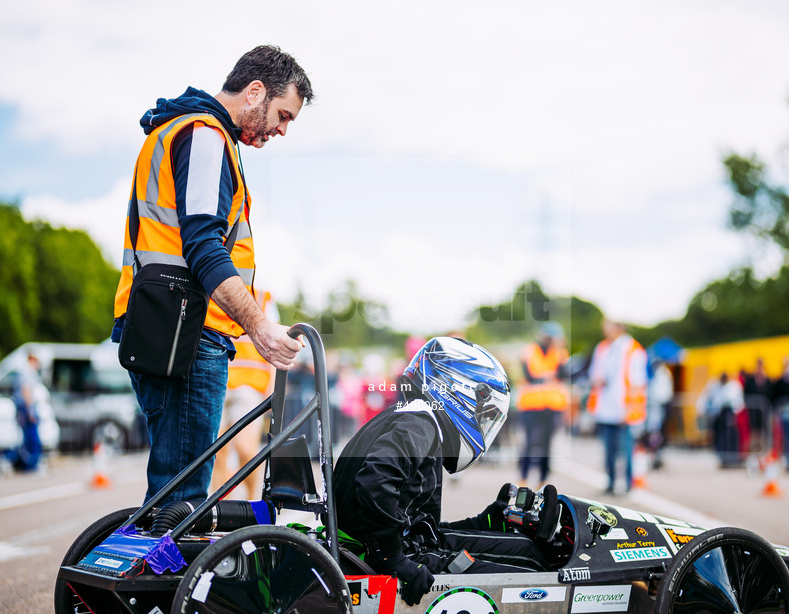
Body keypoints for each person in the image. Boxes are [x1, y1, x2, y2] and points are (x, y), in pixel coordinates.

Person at [111, 45, 310, 504]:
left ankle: (158, 568)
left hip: (171, 325)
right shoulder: (205, 137)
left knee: (175, 492)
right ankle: (164, 575)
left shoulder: (192, 132)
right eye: (283, 115)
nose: (281, 130)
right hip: (186, 333)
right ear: (255, 91)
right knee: (180, 501)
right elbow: (202, 245)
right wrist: (257, 324)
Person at [334, 337, 552, 607]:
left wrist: (479, 524)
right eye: (483, 411)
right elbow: (374, 481)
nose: (482, 419)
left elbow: (415, 523)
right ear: (456, 391)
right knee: (535, 577)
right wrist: (394, 558)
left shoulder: (413, 417)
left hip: (395, 543)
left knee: (527, 549)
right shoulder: (420, 423)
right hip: (387, 552)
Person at [210, 289, 278, 500]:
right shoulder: (210, 286)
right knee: (216, 454)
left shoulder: (263, 298)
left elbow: (274, 343)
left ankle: (251, 504)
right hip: (214, 378)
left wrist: (273, 389)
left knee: (246, 449)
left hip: (249, 383)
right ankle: (223, 511)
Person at [587, 319, 648, 495]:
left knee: (625, 449)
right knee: (609, 450)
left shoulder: (633, 349)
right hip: (605, 409)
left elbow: (638, 383)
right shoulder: (602, 348)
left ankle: (628, 484)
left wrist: (629, 410)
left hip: (623, 409)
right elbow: (594, 373)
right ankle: (611, 482)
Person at [516, 322, 570, 487]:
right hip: (531, 405)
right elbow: (530, 375)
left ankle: (543, 479)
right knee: (530, 443)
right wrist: (548, 375)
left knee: (547, 446)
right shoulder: (529, 351)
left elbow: (563, 375)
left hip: (551, 406)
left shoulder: (559, 353)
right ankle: (523, 477)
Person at [696, 372, 745, 468]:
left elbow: (738, 403)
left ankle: (730, 460)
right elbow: (708, 399)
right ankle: (722, 459)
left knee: (729, 438)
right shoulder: (715, 386)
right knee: (719, 438)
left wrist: (734, 413)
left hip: (728, 414)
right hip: (718, 415)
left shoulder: (733, 387)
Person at [7, 353, 46, 471]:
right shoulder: (27, 372)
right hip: (26, 408)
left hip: (25, 407)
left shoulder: (24, 372)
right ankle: (30, 464)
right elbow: (26, 391)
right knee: (31, 438)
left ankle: (26, 463)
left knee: (26, 437)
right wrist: (31, 411)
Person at [644, 359, 674, 470]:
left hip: (660, 408)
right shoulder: (659, 375)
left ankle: (658, 457)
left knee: (659, 435)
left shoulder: (662, 375)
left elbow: (661, 394)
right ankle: (655, 457)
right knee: (655, 435)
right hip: (656, 409)